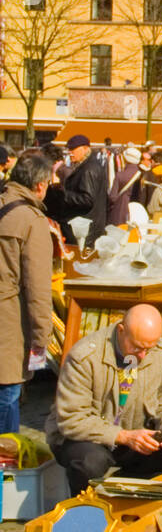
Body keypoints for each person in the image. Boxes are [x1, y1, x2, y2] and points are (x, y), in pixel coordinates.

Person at [46, 303, 162, 495]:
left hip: (134, 436)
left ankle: (124, 490)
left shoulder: (161, 352)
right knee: (90, 463)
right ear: (121, 330)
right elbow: (72, 420)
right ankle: (85, 505)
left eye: (149, 349)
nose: (142, 356)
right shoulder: (84, 357)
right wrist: (124, 436)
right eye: (136, 347)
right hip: (86, 439)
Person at [0, 150, 55, 434]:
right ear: (40, 185)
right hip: (8, 320)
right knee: (6, 397)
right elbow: (38, 289)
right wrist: (41, 337)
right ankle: (4, 473)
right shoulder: (32, 220)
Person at [44, 134, 108, 248]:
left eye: (73, 149)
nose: (70, 152)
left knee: (81, 263)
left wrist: (62, 194)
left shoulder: (88, 169)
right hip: (86, 228)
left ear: (85, 148)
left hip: (84, 232)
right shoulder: (89, 165)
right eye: (69, 149)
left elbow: (87, 199)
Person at [107, 146, 144, 225]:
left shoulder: (120, 175)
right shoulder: (143, 174)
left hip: (120, 211)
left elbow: (112, 197)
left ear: (125, 159)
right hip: (138, 212)